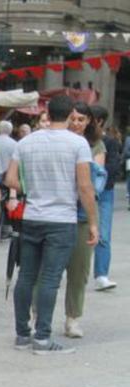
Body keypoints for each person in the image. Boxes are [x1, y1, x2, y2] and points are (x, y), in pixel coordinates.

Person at [5, 95, 97, 355]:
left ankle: (22, 334)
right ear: (69, 115)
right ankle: (43, 338)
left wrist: (32, 189)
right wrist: (93, 222)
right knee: (50, 279)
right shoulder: (78, 143)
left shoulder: (26, 141)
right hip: (62, 219)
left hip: (32, 216)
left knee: (26, 277)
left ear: (47, 112)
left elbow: (10, 178)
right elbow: (84, 186)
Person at [60, 103, 105, 338]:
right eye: (73, 118)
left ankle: (73, 318)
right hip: (58, 212)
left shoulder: (96, 145)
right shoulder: (58, 140)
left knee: (79, 270)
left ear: (89, 121)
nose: (76, 123)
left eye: (81, 119)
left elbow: (95, 182)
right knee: (47, 271)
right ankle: (38, 315)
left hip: (81, 215)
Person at [92, 106, 118, 291]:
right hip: (78, 192)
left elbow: (112, 168)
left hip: (103, 194)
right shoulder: (77, 140)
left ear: (99, 121)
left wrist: (98, 185)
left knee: (103, 234)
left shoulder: (109, 142)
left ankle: (101, 274)